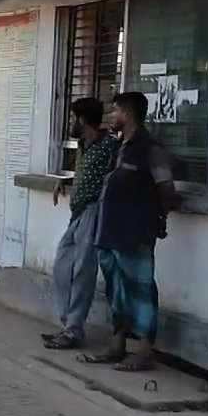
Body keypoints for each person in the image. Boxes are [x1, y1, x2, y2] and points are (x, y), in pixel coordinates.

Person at [80, 92, 179, 372]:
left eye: (114, 111)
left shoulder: (150, 148)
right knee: (116, 290)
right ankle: (117, 346)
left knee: (140, 290)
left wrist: (158, 218)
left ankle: (144, 351)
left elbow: (166, 189)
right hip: (110, 231)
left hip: (135, 233)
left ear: (127, 113)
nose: (111, 116)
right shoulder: (119, 147)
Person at [41, 98, 119, 350]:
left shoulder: (109, 145)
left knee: (83, 272)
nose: (71, 123)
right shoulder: (83, 145)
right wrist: (66, 180)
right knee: (62, 267)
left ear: (83, 119)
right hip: (78, 212)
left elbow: (116, 176)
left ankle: (73, 330)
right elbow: (86, 172)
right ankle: (68, 325)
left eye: (74, 118)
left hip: (95, 210)